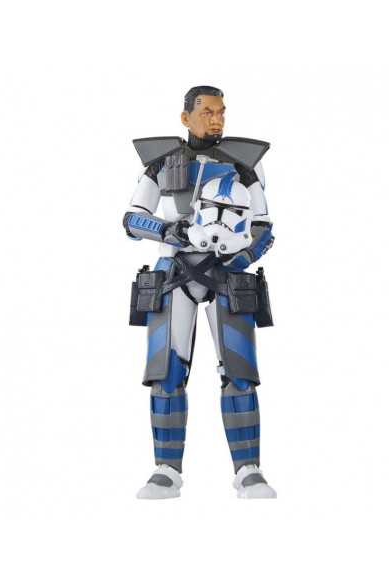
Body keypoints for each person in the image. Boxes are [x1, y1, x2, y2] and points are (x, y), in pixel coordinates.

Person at [124, 86, 277, 499]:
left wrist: (243, 256)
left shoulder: (243, 164)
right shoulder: (160, 163)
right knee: (165, 373)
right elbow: (133, 219)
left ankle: (248, 470)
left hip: (227, 273)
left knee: (240, 373)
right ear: (185, 117)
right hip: (173, 272)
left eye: (221, 112)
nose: (216, 119)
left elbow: (263, 226)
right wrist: (167, 230)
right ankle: (166, 470)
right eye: (207, 112)